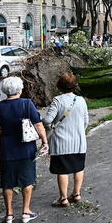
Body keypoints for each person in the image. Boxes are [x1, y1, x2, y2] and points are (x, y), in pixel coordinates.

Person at [0, 77, 48, 223]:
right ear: (20, 90)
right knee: (27, 180)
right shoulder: (27, 104)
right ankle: (26, 212)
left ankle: (9, 214)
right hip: (26, 148)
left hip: (7, 149)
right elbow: (38, 125)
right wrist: (44, 141)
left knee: (7, 183)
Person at [42, 73, 89, 207]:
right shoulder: (81, 100)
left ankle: (63, 199)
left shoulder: (58, 100)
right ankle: (76, 193)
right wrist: (79, 131)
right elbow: (86, 121)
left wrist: (43, 124)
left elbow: (48, 120)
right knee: (78, 168)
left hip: (61, 143)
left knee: (62, 170)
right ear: (75, 85)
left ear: (59, 86)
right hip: (79, 142)